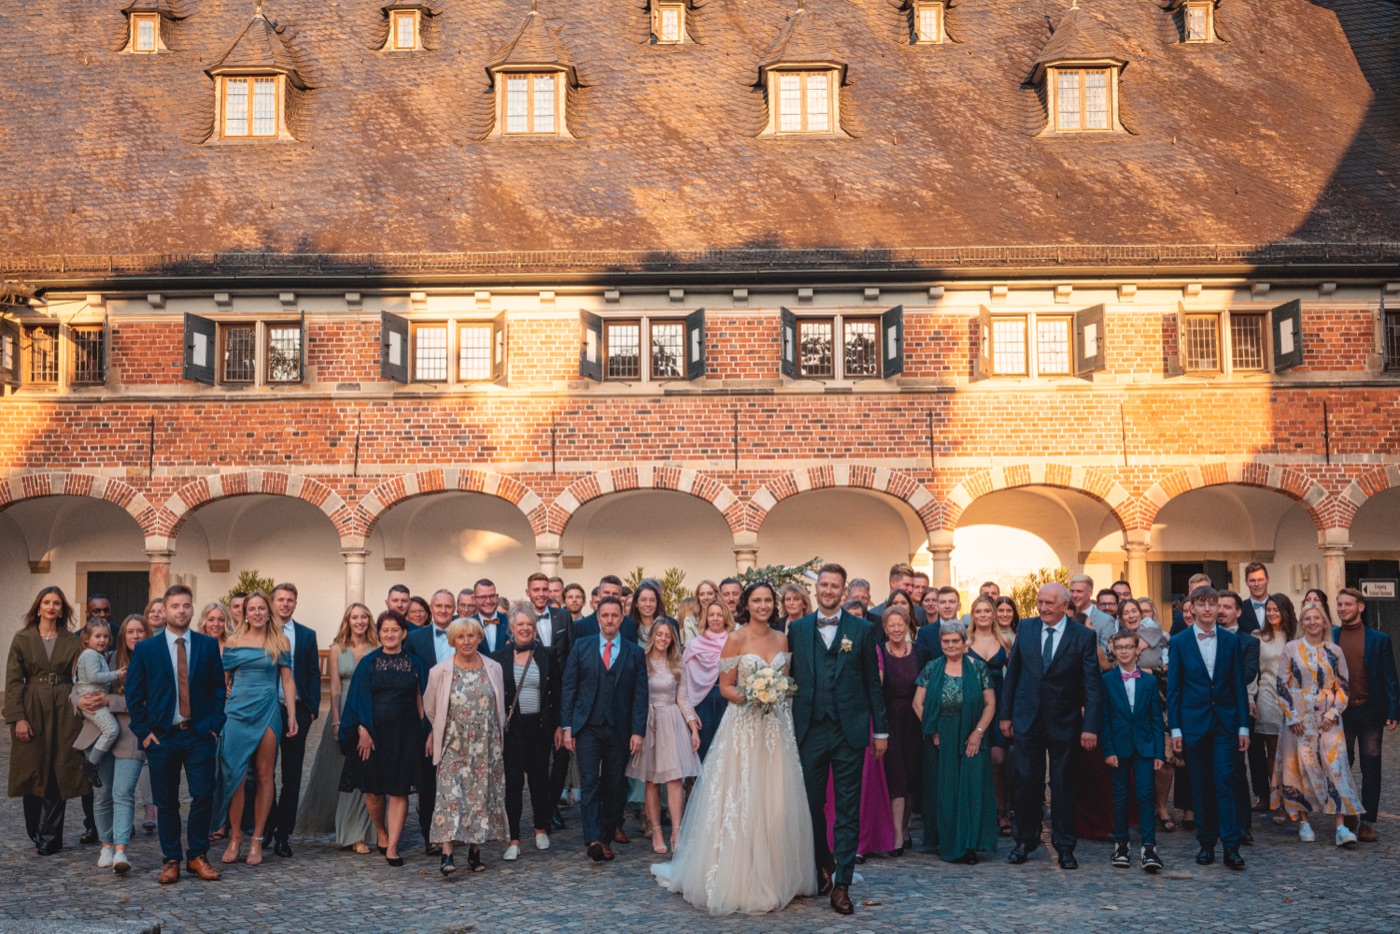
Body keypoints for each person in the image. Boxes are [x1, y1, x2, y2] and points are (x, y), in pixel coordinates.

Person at [651, 584, 815, 915]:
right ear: (747, 604)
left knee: (777, 802)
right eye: (757, 600)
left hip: (777, 729)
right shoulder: (736, 638)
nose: (764, 605)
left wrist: (776, 693)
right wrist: (755, 695)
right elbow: (725, 687)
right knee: (743, 797)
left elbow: (786, 683)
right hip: (744, 727)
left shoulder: (783, 638)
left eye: (769, 600)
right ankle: (739, 877)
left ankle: (779, 874)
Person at [788, 563, 888, 915]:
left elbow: (872, 684)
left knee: (847, 808)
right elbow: (791, 676)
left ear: (844, 592)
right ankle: (824, 861)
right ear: (816, 589)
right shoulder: (797, 629)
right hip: (811, 728)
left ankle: (842, 884)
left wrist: (880, 730)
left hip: (850, 730)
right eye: (824, 585)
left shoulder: (861, 630)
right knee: (810, 805)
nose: (828, 591)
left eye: (835, 586)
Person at [125, 584, 227, 885]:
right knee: (166, 802)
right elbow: (134, 695)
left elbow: (217, 689)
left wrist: (214, 726)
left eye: (185, 606)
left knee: (203, 795)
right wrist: (143, 732)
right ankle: (171, 860)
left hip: (198, 734)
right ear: (165, 610)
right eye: (175, 606)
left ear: (192, 610)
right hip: (161, 737)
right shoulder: (147, 649)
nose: (180, 611)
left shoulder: (207, 645)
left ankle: (197, 855)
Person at [999, 582, 1104, 870]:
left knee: (1062, 784)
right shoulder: (1028, 628)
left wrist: (1090, 726)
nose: (1042, 608)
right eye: (1040, 602)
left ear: (1065, 606)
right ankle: (1024, 841)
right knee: (1025, 782)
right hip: (1027, 719)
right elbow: (1014, 674)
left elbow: (1092, 686)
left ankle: (1065, 846)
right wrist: (1005, 715)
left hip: (1065, 722)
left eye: (1049, 603)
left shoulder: (1082, 636)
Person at [1167, 586, 1250, 870]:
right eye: (1201, 604)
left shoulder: (1230, 641)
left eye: (1212, 604)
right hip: (1193, 724)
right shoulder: (1178, 642)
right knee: (1200, 786)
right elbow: (1174, 689)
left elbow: (1239, 686)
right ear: (1191, 608)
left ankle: (1231, 846)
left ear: (1219, 609)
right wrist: (1176, 730)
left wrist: (1243, 727)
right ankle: (1206, 843)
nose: (1207, 609)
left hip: (1226, 723)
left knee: (1224, 782)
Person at [560, 597, 649, 863]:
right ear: (597, 618)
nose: (609, 620)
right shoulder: (581, 647)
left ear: (622, 618)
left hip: (619, 730)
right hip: (587, 727)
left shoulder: (634, 652)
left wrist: (638, 731)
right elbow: (569, 688)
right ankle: (594, 839)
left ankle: (607, 835)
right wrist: (567, 727)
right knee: (589, 783)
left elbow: (640, 696)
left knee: (615, 785)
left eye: (614, 616)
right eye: (605, 615)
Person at [212, 592, 296, 867]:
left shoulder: (279, 640)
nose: (258, 613)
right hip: (236, 712)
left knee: (264, 774)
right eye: (252, 609)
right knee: (235, 775)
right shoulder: (234, 640)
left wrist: (292, 715)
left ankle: (257, 838)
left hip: (268, 709)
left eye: (262, 608)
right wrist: (218, 711)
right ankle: (235, 836)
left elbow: (287, 679)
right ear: (245, 613)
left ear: (269, 611)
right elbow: (222, 681)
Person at [339, 611, 429, 867]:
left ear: (403, 633)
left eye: (395, 630)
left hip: (406, 736)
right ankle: (380, 830)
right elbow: (355, 701)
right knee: (375, 792)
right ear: (379, 633)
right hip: (373, 737)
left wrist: (426, 732)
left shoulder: (416, 664)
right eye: (385, 630)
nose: (390, 634)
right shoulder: (367, 664)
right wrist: (362, 731)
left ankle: (392, 847)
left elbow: (422, 703)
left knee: (400, 791)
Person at [7, 587, 89, 855]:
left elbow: (82, 676)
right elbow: (13, 682)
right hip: (33, 705)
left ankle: (51, 837)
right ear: (38, 607)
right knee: (32, 769)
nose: (52, 606)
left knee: (59, 768)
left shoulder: (72, 640)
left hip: (64, 707)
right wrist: (18, 718)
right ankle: (35, 831)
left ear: (62, 608)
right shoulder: (22, 638)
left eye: (57, 603)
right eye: (47, 602)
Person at [1274, 601, 1363, 847]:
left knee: (1336, 769)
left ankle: (1341, 826)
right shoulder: (1291, 649)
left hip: (1328, 719)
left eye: (1317, 618)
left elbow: (1343, 685)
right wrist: (1292, 716)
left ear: (1324, 621)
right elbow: (1281, 685)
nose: (1312, 622)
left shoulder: (1335, 651)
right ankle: (1304, 821)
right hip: (1299, 718)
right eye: (1307, 618)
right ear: (1302, 623)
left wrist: (1334, 712)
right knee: (1299, 769)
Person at [426, 617, 508, 875]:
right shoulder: (439, 671)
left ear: (479, 638)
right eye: (460, 637)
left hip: (486, 744)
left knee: (479, 796)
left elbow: (499, 705)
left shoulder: (493, 667)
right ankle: (447, 855)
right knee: (449, 796)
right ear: (453, 641)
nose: (466, 641)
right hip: (454, 743)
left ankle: (475, 852)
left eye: (471, 636)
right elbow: (431, 707)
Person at [295, 603, 377, 853]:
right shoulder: (336, 649)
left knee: (366, 772)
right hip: (344, 714)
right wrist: (335, 721)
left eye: (364, 617)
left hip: (370, 713)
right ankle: (346, 830)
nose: (360, 621)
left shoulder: (378, 648)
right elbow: (336, 688)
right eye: (355, 617)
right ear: (348, 621)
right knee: (343, 773)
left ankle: (361, 832)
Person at [913, 620, 997, 864]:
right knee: (945, 789)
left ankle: (969, 843)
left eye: (955, 641)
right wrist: (933, 730)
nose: (950, 645)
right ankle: (949, 842)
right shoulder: (931, 667)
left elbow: (990, 703)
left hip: (972, 733)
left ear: (964, 643)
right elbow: (917, 703)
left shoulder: (978, 668)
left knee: (971, 788)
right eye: (945, 641)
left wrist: (978, 732)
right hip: (941, 735)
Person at [77, 613, 150, 874]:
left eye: (140, 631)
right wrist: (77, 701)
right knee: (102, 796)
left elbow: (152, 702)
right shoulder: (105, 658)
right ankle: (105, 846)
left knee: (123, 793)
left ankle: (121, 851)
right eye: (130, 632)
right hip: (99, 735)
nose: (135, 636)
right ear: (122, 637)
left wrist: (112, 701)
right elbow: (80, 685)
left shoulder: (154, 661)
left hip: (130, 735)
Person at [628, 619, 700, 854]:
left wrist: (693, 727)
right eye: (659, 634)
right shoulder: (642, 660)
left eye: (667, 635)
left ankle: (677, 831)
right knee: (651, 780)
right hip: (649, 722)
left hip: (672, 721)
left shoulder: (676, 663)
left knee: (675, 780)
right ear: (652, 637)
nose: (662, 638)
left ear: (672, 639)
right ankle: (656, 830)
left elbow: (683, 698)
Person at [1333, 588, 1399, 843]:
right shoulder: (1332, 636)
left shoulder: (1379, 639)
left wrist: (1393, 711)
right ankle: (1348, 812)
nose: (1342, 608)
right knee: (1343, 764)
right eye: (1339, 604)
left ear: (1360, 607)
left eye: (1347, 604)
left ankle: (1368, 821)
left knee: (1371, 765)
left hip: (1370, 710)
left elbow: (1390, 677)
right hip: (1341, 712)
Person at [495, 607, 558, 859]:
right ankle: (514, 839)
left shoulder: (546, 655)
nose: (524, 629)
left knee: (540, 782)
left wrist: (556, 726)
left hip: (538, 728)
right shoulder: (498, 658)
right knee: (512, 785)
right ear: (511, 628)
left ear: (534, 628)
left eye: (529, 625)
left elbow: (555, 692)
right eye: (519, 624)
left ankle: (540, 828)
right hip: (512, 729)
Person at [1099, 631, 1165, 872]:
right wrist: (1107, 749)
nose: (1125, 651)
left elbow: (1156, 719)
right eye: (1120, 648)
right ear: (1114, 651)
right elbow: (1103, 719)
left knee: (1146, 795)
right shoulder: (1107, 680)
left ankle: (1149, 848)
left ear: (1137, 650)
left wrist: (1159, 752)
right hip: (1118, 746)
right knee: (1120, 796)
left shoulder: (1149, 681)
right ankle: (1121, 844)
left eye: (1129, 647)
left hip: (1145, 745)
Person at [406, 588, 458, 855]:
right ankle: (431, 835)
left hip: (462, 717)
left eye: (448, 606)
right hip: (427, 717)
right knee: (429, 781)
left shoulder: (466, 631)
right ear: (431, 608)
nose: (443, 611)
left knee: (458, 778)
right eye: (438, 606)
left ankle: (456, 831)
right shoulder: (415, 638)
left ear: (455, 608)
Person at [878, 605, 931, 853]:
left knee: (912, 775)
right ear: (885, 628)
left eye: (900, 625)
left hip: (916, 718)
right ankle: (897, 834)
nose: (896, 629)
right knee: (895, 776)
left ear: (907, 626)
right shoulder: (878, 652)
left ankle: (906, 826)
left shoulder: (921, 652)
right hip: (890, 719)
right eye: (891, 625)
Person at [524, 572, 573, 834]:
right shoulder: (522, 619)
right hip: (534, 697)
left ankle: (552, 804)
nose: (542, 594)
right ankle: (541, 811)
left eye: (545, 590)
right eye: (537, 590)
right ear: (528, 592)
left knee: (562, 755)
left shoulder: (563, 617)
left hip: (562, 695)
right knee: (539, 760)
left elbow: (572, 652)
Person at [966, 595, 1014, 836]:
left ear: (994, 614)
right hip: (973, 707)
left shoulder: (1005, 642)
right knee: (974, 761)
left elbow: (1015, 676)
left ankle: (1002, 811)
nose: (983, 615)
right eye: (979, 611)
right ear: (972, 615)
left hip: (1000, 704)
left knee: (999, 759)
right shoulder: (965, 642)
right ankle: (978, 813)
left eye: (987, 611)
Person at [1217, 590, 1260, 843]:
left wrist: (1215, 686)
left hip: (1235, 712)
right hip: (1206, 713)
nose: (1221, 610)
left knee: (1235, 770)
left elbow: (1248, 674)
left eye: (1227, 606)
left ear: (1238, 611)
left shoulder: (1249, 642)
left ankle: (1242, 826)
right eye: (1218, 606)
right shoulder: (1204, 638)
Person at [1253, 594, 1295, 825]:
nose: (1271, 613)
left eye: (1275, 610)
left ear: (1285, 611)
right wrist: (1251, 698)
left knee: (1291, 752)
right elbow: (1253, 672)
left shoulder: (1296, 637)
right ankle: (1276, 800)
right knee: (1272, 751)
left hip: (1293, 698)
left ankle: (1293, 799)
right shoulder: (1258, 637)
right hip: (1268, 695)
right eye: (1268, 610)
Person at [73, 619, 126, 786]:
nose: (102, 640)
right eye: (97, 636)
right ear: (87, 639)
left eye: (105, 636)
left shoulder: (97, 655)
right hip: (92, 700)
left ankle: (91, 762)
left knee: (110, 730)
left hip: (95, 698)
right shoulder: (90, 654)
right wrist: (117, 674)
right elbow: (94, 676)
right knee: (111, 729)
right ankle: (90, 764)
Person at [683, 599, 733, 760]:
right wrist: (690, 708)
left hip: (729, 700)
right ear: (706, 617)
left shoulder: (734, 642)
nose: (715, 618)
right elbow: (685, 678)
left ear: (726, 617)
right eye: (711, 615)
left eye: (719, 615)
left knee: (727, 751)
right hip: (702, 702)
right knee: (705, 753)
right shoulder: (695, 645)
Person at [1069, 574, 1116, 652]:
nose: (1074, 595)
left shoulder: (1105, 620)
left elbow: (1108, 655)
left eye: (1079, 591)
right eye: (1072, 591)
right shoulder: (1065, 617)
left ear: (1090, 592)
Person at [633, 580, 673, 646]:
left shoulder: (668, 626)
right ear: (636, 603)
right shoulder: (629, 627)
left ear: (657, 603)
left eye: (652, 600)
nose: (648, 604)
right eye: (643, 600)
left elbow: (675, 653)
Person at [1240, 563, 1270, 634]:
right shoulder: (1240, 609)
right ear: (1246, 582)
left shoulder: (1281, 606)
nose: (1257, 584)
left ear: (1267, 580)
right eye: (1252, 580)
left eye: (1260, 580)